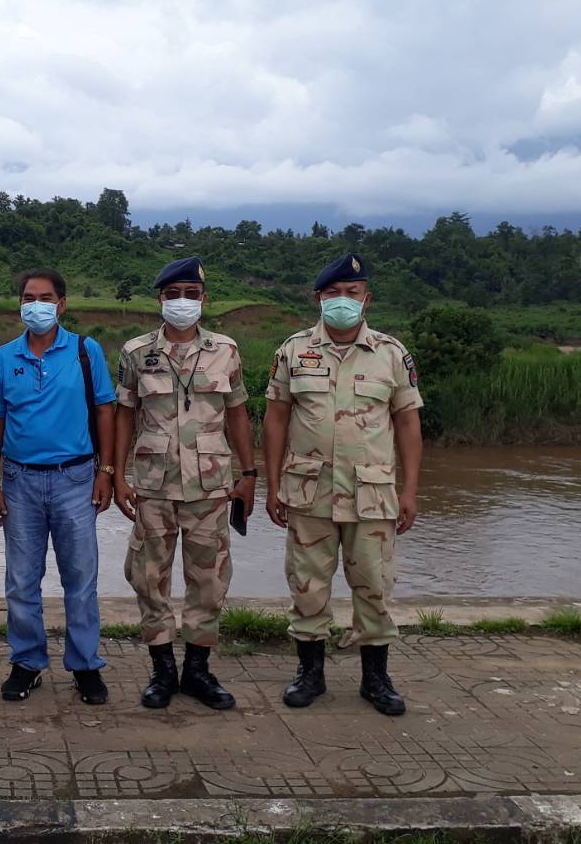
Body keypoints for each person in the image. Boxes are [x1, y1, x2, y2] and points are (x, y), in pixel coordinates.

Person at [263, 253, 423, 716]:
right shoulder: (293, 350)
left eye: (352, 293)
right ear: (318, 298)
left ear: (366, 299)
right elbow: (275, 419)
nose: (343, 300)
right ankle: (309, 674)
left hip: (371, 493)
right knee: (307, 585)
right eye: (333, 293)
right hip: (308, 491)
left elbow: (408, 424)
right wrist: (271, 486)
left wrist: (410, 491)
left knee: (374, 584)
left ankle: (376, 679)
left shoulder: (391, 353)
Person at [111, 257, 256, 711]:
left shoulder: (226, 350)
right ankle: (162, 670)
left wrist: (249, 475)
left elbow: (238, 413)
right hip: (152, 485)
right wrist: (117, 476)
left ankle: (197, 670)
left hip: (211, 486)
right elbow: (124, 415)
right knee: (148, 577)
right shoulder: (136, 352)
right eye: (173, 294)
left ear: (204, 299)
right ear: (160, 299)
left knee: (209, 581)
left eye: (191, 294)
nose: (182, 301)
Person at [0, 269, 117, 704]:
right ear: (19, 304)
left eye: (45, 297)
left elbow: (105, 410)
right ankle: (26, 663)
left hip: (75, 478)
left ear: (62, 304)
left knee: (80, 577)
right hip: (19, 481)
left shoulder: (85, 351)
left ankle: (85, 665)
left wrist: (106, 471)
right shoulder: (4, 358)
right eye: (28, 297)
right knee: (22, 580)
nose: (35, 305)